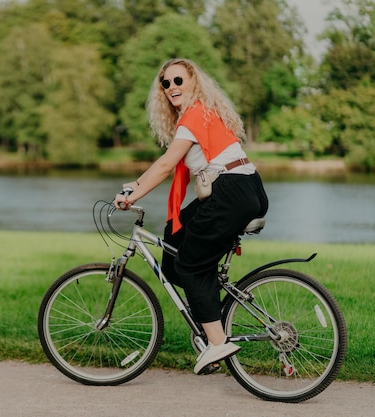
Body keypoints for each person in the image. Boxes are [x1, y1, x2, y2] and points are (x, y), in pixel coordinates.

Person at [114, 58, 268, 375]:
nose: (172, 88)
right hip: (243, 187)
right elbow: (167, 165)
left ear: (193, 83)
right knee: (176, 244)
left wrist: (135, 195)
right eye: (166, 84)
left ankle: (217, 341)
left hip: (231, 192)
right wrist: (135, 185)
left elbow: (167, 165)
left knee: (190, 263)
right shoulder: (201, 114)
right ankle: (207, 328)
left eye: (178, 81)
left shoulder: (194, 115)